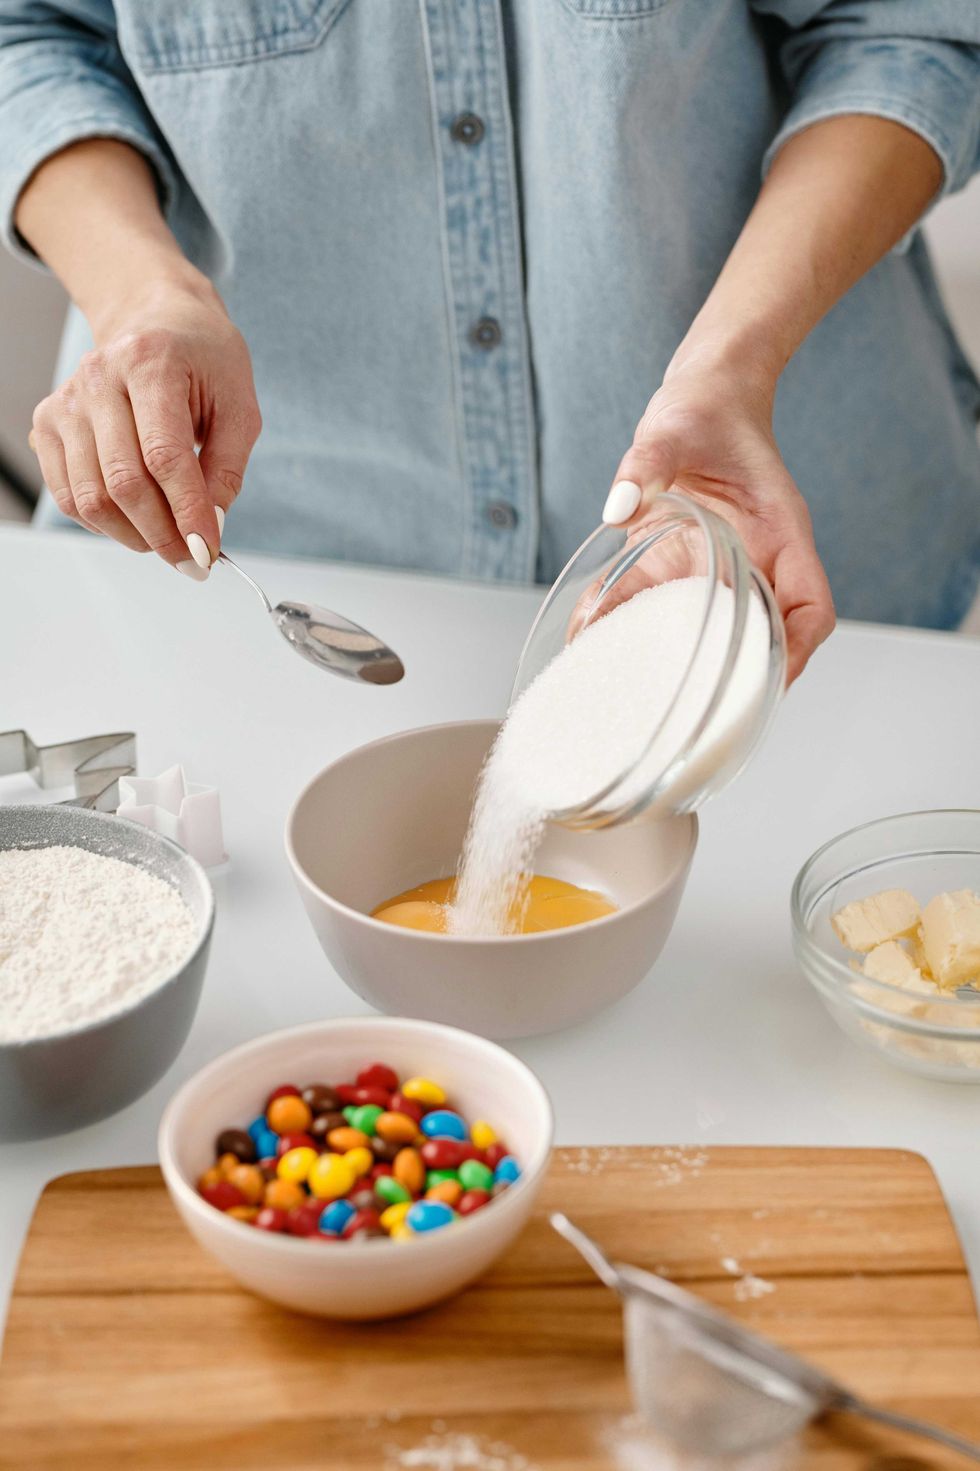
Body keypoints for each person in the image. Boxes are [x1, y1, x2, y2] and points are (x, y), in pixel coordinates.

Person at [2, 2, 979, 683]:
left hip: (762, 548)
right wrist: (142, 294)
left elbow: (905, 27)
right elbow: (26, 29)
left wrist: (731, 361)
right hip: (263, 562)